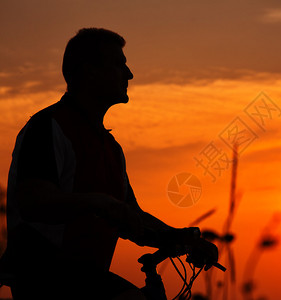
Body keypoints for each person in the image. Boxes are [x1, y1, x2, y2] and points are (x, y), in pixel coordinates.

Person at [1, 28, 218, 299]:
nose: (129, 74)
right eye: (119, 64)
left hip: (88, 278)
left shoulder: (111, 148)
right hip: (45, 277)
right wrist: (98, 202)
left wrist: (183, 239)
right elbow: (34, 202)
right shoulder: (47, 127)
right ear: (89, 71)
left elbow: (130, 218)